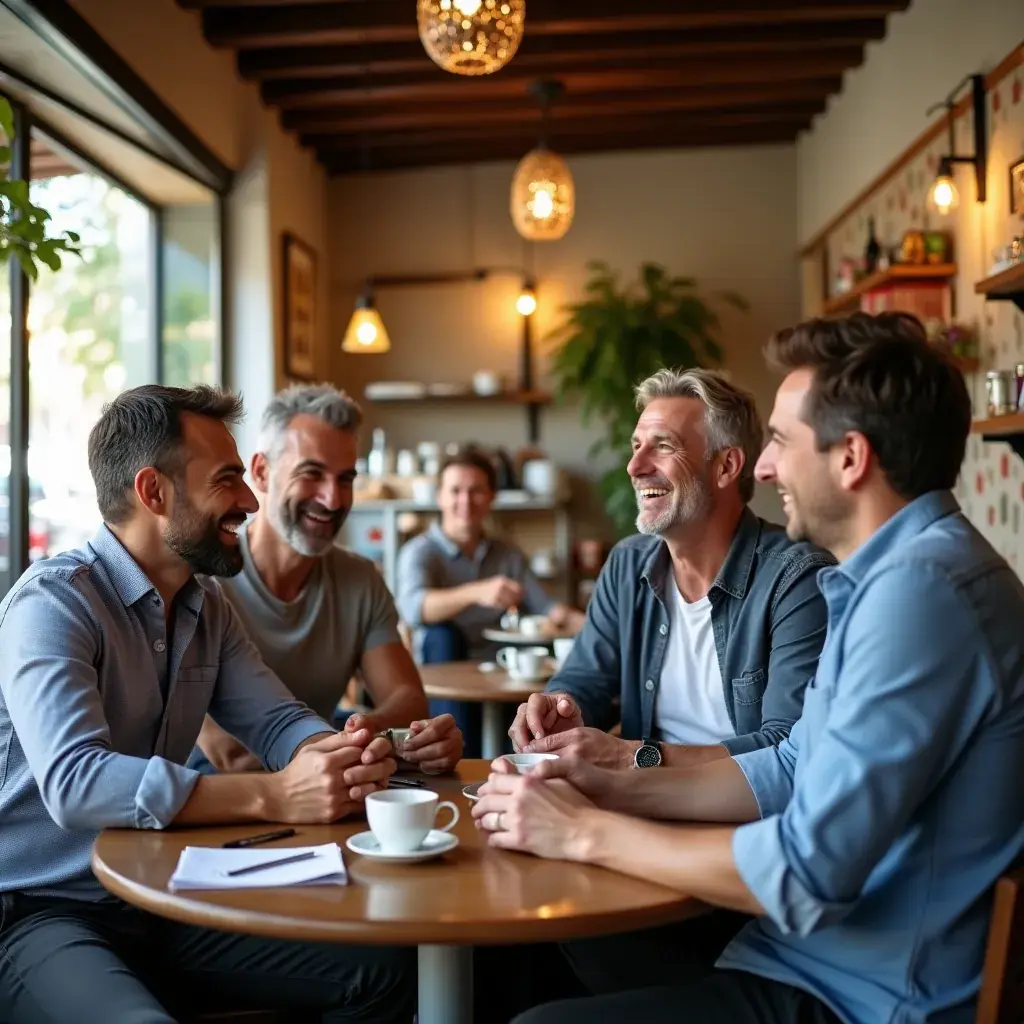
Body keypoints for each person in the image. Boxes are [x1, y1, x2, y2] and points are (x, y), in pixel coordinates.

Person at [474, 312, 1024, 1024]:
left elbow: (803, 874)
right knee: (514, 953)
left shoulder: (921, 595)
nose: (765, 467)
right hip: (807, 952)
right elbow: (792, 765)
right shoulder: (891, 578)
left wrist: (582, 831)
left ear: (850, 458)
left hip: (862, 992)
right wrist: (601, 781)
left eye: (781, 443)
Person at [0, 385, 413, 1024]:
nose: (250, 500)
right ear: (153, 492)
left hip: (158, 893)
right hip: (41, 910)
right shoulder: (52, 604)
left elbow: (278, 721)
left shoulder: (206, 606)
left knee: (384, 968)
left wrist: (339, 755)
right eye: (228, 480)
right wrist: (276, 796)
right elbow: (75, 782)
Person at [508, 368, 833, 773]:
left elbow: (788, 747)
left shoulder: (797, 578)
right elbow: (585, 679)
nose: (634, 466)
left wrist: (634, 756)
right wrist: (560, 707)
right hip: (638, 799)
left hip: (745, 814)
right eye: (636, 446)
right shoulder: (628, 564)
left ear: (726, 466)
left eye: (663, 446)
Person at [193, 383, 462, 776]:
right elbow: (231, 753)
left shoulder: (359, 579)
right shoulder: (203, 581)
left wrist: (395, 734)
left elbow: (407, 702)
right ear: (262, 473)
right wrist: (381, 742)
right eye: (312, 473)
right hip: (215, 802)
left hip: (328, 792)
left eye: (346, 479)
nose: (333, 499)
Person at [395, 447, 585, 755]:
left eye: (476, 491)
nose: (465, 501)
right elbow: (413, 607)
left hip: (500, 666)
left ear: (491, 497)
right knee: (443, 636)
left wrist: (594, 626)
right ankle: (458, 753)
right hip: (442, 667)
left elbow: (545, 607)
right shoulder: (420, 552)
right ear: (440, 496)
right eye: (455, 491)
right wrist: (477, 591)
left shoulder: (506, 554)